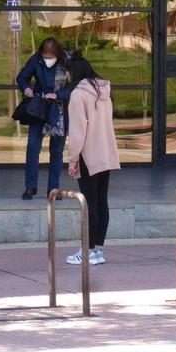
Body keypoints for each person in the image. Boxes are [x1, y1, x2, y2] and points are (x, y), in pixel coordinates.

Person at [66, 54, 120, 265]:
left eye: (68, 71)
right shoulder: (104, 91)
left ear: (74, 72)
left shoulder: (78, 95)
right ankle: (97, 250)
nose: (67, 76)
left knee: (88, 203)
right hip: (106, 152)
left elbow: (78, 130)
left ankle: (86, 251)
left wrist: (72, 158)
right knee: (101, 201)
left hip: (88, 154)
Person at [16, 37, 70, 200]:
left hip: (59, 109)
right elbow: (22, 77)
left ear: (58, 54)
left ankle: (53, 188)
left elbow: (75, 87)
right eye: (45, 57)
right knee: (32, 148)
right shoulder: (36, 59)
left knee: (56, 151)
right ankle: (30, 186)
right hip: (40, 107)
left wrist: (58, 94)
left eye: (50, 57)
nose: (47, 60)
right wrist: (26, 88)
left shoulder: (68, 62)